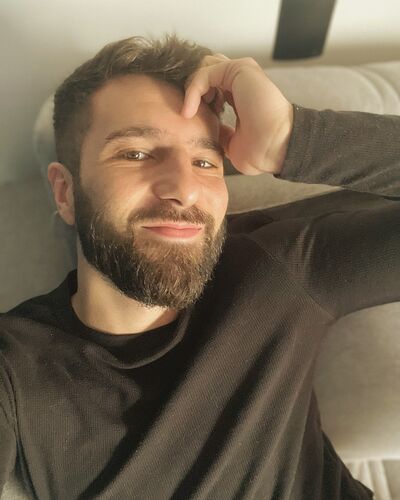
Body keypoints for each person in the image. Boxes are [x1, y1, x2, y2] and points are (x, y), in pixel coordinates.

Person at [1, 32, 399, 500]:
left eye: (206, 162)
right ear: (66, 193)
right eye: (136, 153)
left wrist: (291, 137)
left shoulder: (278, 270)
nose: (184, 189)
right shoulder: (15, 365)